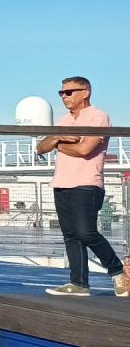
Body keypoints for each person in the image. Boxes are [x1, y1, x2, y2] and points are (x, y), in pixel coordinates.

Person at [36, 77, 127, 297]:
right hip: (61, 183)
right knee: (70, 235)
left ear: (85, 92)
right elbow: (41, 147)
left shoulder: (98, 117)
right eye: (61, 93)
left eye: (68, 92)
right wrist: (59, 137)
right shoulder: (63, 120)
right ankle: (78, 284)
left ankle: (117, 270)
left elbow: (86, 150)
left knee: (86, 233)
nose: (64, 97)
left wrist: (58, 144)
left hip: (87, 183)